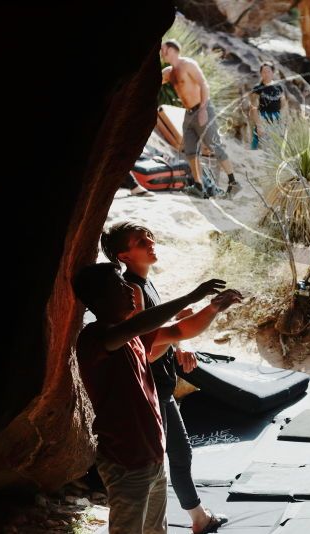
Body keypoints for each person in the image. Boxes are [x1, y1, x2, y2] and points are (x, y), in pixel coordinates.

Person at [101, 222, 242, 533]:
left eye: (150, 237)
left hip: (158, 387)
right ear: (124, 255)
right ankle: (197, 519)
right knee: (168, 459)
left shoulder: (144, 284)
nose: (151, 243)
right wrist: (212, 307)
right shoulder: (133, 290)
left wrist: (181, 343)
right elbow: (149, 345)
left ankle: (196, 517)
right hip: (149, 391)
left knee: (173, 457)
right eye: (141, 241)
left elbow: (164, 329)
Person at [72, 264, 230, 533]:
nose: (128, 289)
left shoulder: (133, 337)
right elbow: (137, 325)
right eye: (118, 285)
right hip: (126, 459)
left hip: (151, 457)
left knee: (156, 529)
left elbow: (180, 331)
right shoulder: (95, 338)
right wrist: (190, 297)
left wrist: (212, 308)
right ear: (99, 299)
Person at [160, 39, 240, 198]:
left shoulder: (188, 64)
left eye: (164, 49)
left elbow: (204, 84)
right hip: (188, 113)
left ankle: (233, 183)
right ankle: (198, 186)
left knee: (214, 146)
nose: (161, 52)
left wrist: (203, 109)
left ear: (173, 50)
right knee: (190, 150)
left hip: (203, 109)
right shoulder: (169, 72)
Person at [249, 61, 287, 150]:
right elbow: (253, 108)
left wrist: (282, 119)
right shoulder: (258, 88)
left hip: (277, 118)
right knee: (259, 144)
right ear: (261, 73)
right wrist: (258, 125)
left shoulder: (279, 87)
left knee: (277, 146)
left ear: (273, 72)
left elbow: (284, 104)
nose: (266, 74)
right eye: (264, 72)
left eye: (268, 71)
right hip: (263, 117)